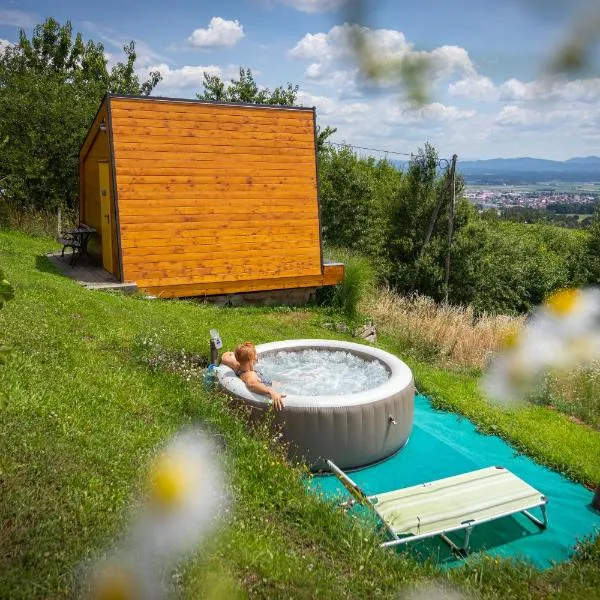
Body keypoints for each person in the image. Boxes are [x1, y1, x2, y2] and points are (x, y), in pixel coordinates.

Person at [221, 342, 286, 410]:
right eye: (255, 355)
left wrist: (238, 353)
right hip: (269, 385)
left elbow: (225, 356)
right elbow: (251, 384)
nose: (256, 357)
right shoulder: (250, 374)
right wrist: (271, 392)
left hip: (267, 382)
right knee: (283, 384)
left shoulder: (237, 366)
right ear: (251, 359)